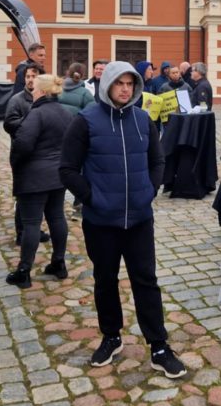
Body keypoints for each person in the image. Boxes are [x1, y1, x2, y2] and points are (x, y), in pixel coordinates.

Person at [59, 62, 187, 379]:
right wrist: (94, 198)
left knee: (146, 281)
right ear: (107, 86)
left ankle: (158, 346)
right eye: (120, 83)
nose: (125, 89)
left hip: (140, 219)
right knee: (105, 280)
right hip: (101, 221)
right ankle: (111, 336)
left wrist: (148, 191)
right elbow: (67, 170)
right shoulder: (85, 121)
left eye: (130, 83)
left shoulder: (143, 119)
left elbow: (157, 160)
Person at [8, 74, 74, 288]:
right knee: (57, 218)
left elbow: (23, 145)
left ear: (44, 92)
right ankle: (59, 262)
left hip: (34, 177)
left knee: (31, 224)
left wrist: (16, 164)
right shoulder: (66, 113)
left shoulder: (36, 114)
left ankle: (24, 270)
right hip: (58, 175)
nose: (32, 91)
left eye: (35, 89)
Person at [4, 62, 50, 244]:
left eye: (34, 76)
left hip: (43, 155)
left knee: (40, 197)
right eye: (28, 76)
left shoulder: (48, 98)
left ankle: (35, 228)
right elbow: (9, 124)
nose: (31, 80)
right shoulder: (16, 100)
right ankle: (21, 232)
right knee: (23, 196)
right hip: (23, 154)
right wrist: (31, 122)